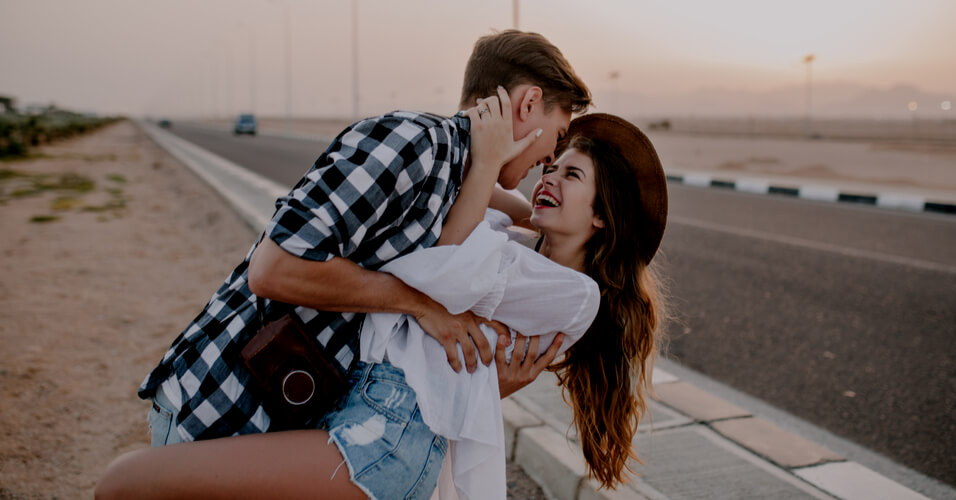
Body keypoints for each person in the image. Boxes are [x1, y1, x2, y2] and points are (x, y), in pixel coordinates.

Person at [96, 109, 668, 499]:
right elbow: (472, 226)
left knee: (127, 482)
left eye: (572, 174)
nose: (550, 176)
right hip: (363, 409)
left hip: (389, 435)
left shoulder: (574, 294)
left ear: (602, 215)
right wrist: (490, 163)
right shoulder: (512, 245)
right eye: (553, 164)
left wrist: (488, 160)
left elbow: (446, 260)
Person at [128, 29, 591, 446]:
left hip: (268, 413)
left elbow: (510, 212)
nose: (551, 156)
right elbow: (274, 269)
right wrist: (421, 304)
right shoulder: (416, 143)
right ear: (529, 104)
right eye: (558, 134)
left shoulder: (456, 175)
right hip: (220, 407)